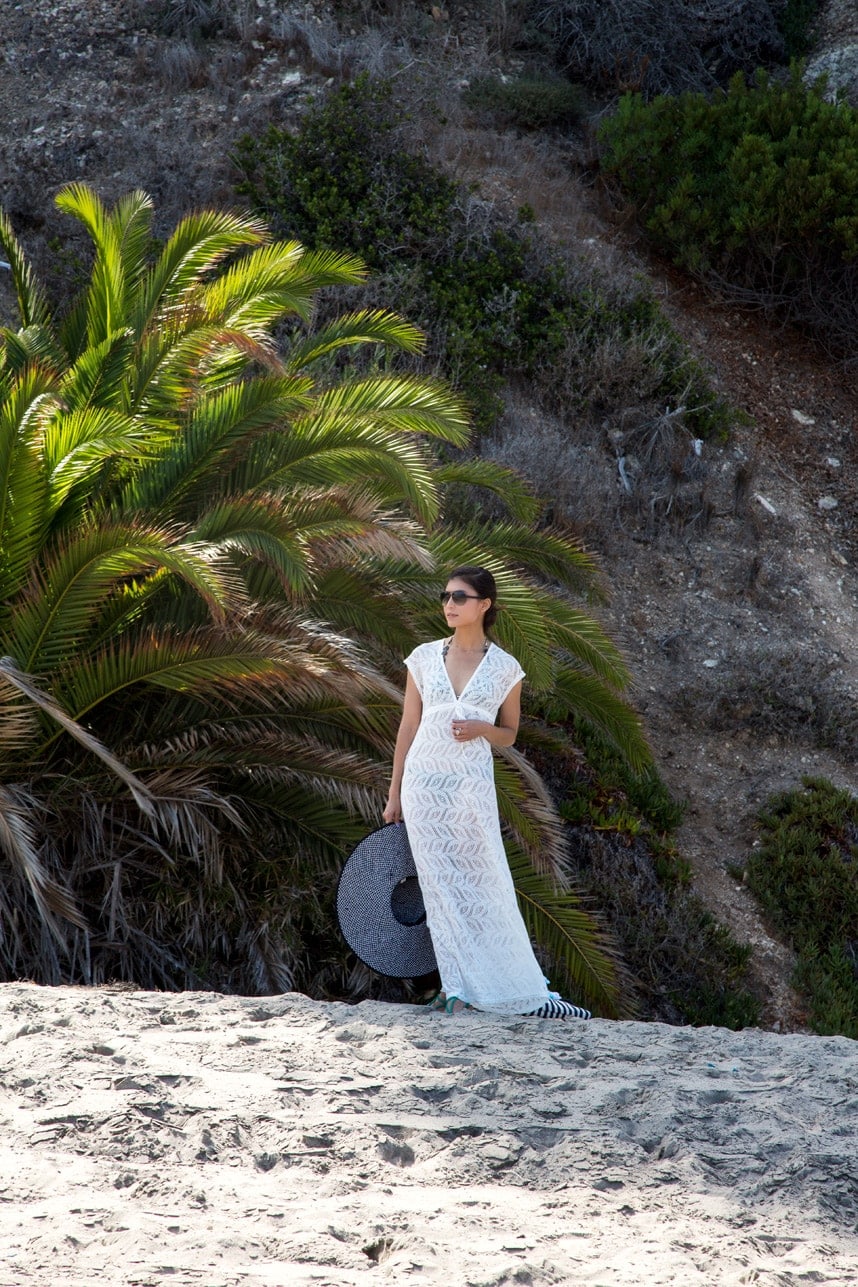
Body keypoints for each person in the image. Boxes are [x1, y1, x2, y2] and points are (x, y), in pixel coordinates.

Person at [383, 565, 591, 1020]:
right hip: (424, 788)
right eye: (446, 597)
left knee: (485, 881)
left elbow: (510, 734)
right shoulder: (421, 658)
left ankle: (514, 989)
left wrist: (482, 728)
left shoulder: (504, 669)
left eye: (459, 597)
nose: (449, 605)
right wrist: (394, 792)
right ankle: (453, 987)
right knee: (437, 887)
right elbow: (408, 726)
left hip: (470, 790)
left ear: (484, 604)